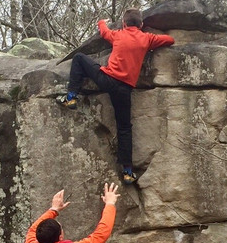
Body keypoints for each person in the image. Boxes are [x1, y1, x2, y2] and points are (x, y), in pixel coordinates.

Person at [57, 9, 175, 185]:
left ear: (124, 23)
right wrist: (152, 39)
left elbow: (104, 32)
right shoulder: (146, 38)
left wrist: (101, 22)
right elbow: (170, 40)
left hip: (107, 80)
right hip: (125, 89)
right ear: (141, 25)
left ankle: (72, 96)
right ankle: (127, 171)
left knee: (80, 58)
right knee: (124, 127)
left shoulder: (118, 34)